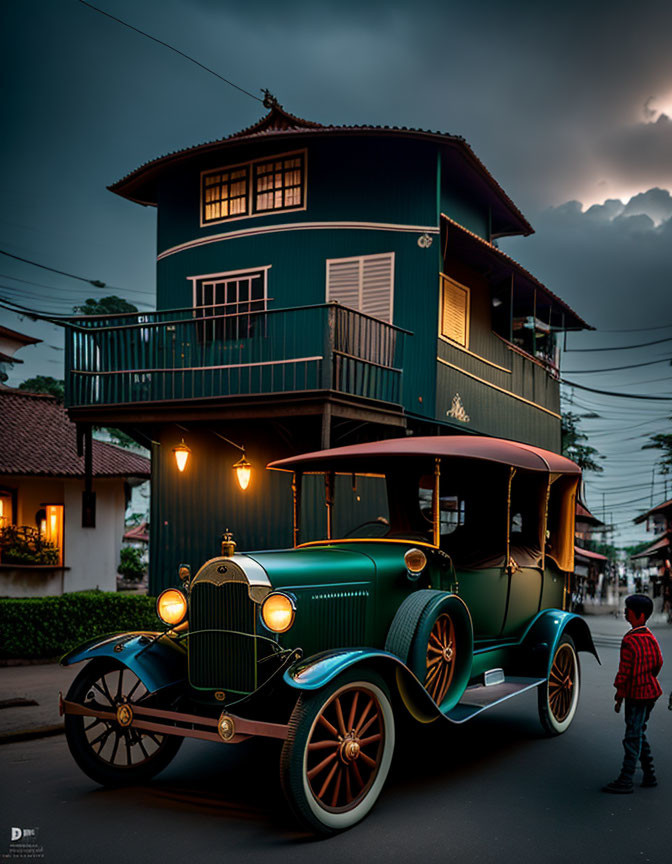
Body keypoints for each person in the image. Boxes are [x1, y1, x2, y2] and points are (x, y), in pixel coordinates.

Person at [602, 594, 663, 793]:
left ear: (639, 614)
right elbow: (658, 663)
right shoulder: (650, 638)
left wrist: (620, 694)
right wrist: (649, 677)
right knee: (639, 731)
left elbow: (624, 671)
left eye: (628, 609)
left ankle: (626, 779)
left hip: (636, 694)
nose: (625, 612)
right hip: (651, 692)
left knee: (632, 736)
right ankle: (649, 773)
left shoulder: (629, 640)